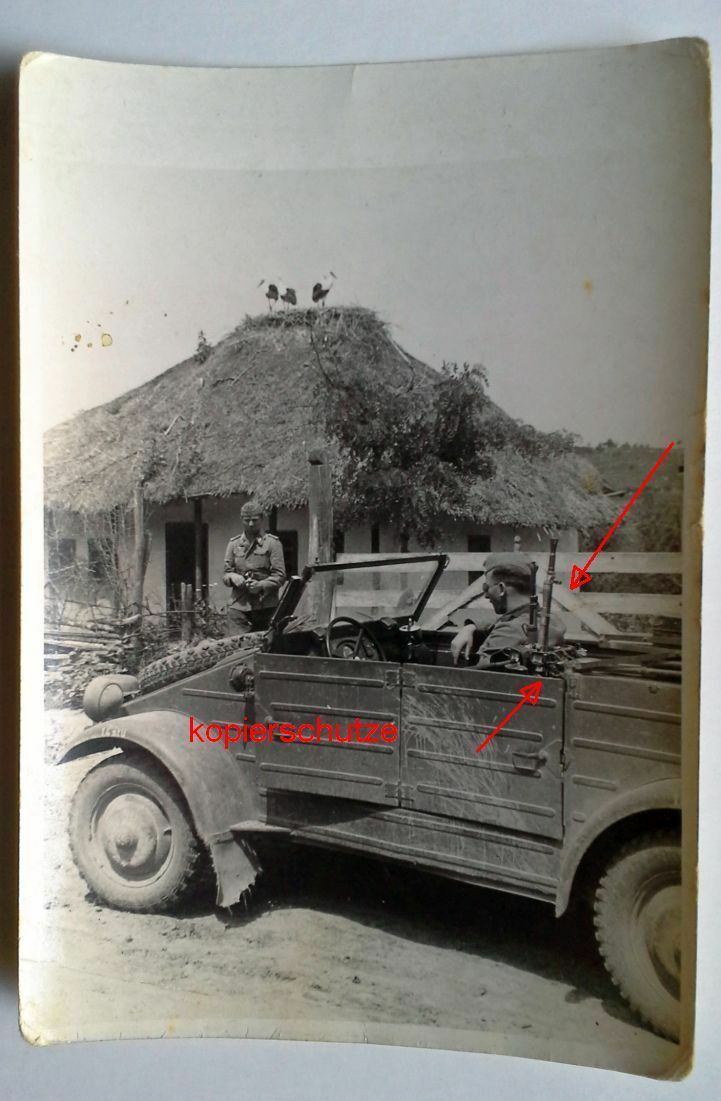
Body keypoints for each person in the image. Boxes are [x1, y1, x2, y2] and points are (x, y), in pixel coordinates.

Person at [450, 552, 565, 667]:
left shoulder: (508, 632)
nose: (486, 595)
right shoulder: (550, 620)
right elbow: (507, 619)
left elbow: (477, 673)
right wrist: (471, 627)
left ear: (501, 588)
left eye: (486, 588)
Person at [223, 499, 287, 637]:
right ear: (241, 520)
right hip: (239, 607)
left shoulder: (273, 543)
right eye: (247, 520)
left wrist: (261, 585)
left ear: (261, 519)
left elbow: (280, 576)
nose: (251, 524)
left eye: (254, 520)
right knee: (236, 646)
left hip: (266, 607)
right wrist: (233, 577)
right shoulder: (234, 544)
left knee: (265, 645)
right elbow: (226, 573)